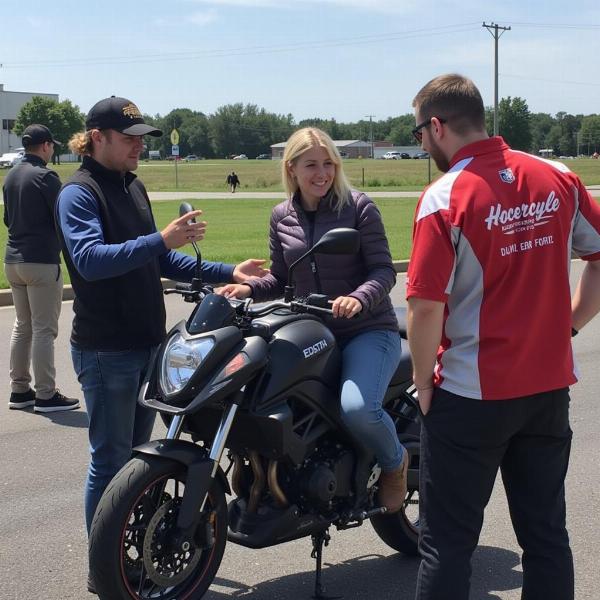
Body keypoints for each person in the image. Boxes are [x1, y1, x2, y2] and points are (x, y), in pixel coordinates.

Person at [406, 74, 600, 600]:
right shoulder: (558, 175)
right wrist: (571, 325)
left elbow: (425, 307)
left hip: (469, 395)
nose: (422, 143)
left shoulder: (444, 195)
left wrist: (424, 381)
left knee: (446, 544)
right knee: (545, 537)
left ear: (438, 126)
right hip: (546, 390)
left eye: (421, 132)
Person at [55, 96, 269, 544]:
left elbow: (163, 261)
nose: (139, 146)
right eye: (129, 137)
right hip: (106, 348)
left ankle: (132, 553)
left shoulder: (132, 186)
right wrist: (159, 239)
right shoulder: (78, 192)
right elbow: (90, 259)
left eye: (142, 138)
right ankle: (105, 562)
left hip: (148, 341)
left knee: (141, 461)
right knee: (111, 459)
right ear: (97, 138)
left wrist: (229, 272)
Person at [217, 127, 409, 512]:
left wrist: (357, 299)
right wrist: (248, 290)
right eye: (311, 165)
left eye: (328, 164)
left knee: (357, 409)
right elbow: (282, 279)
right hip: (312, 332)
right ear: (291, 169)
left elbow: (383, 271)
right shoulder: (281, 216)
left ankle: (395, 463)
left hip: (367, 330)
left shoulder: (358, 208)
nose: (322, 173)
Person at [4, 124, 79, 413]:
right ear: (45, 146)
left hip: (13, 259)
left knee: (22, 326)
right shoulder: (46, 176)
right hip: (41, 260)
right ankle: (46, 394)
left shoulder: (11, 176)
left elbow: (8, 219)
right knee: (44, 329)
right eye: (52, 146)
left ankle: (19, 389)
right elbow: (63, 218)